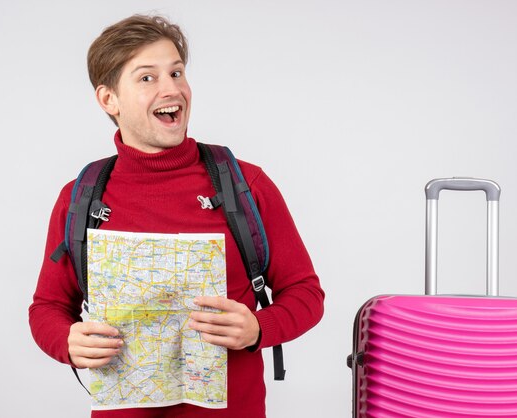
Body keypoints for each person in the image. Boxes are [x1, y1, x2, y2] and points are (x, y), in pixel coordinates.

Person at [29, 14, 324, 418]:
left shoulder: (245, 184)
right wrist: (66, 341)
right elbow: (46, 306)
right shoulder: (80, 196)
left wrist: (259, 329)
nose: (172, 89)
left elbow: (306, 293)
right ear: (108, 99)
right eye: (147, 78)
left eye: (177, 72)